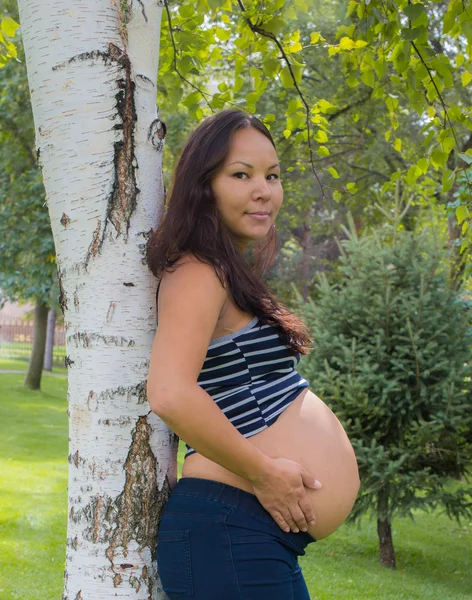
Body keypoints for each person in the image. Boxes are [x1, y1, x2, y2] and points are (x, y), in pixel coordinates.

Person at [146, 108, 361, 599]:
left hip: (248, 534)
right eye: (241, 175)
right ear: (204, 186)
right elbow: (169, 392)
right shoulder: (200, 269)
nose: (264, 189)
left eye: (273, 175)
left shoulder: (220, 267)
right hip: (230, 528)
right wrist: (265, 473)